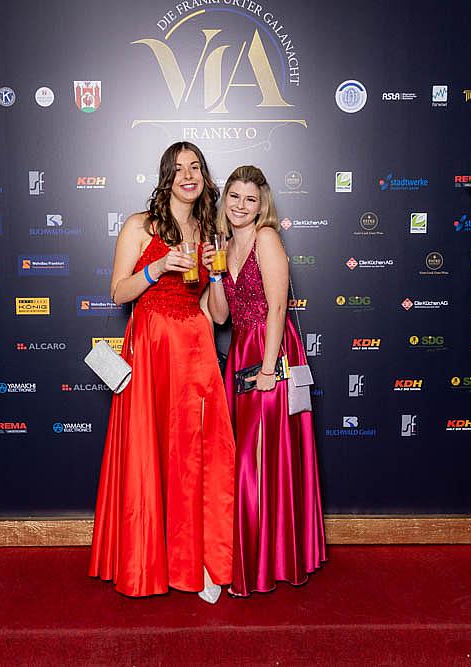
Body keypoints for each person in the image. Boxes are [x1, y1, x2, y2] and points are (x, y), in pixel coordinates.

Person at [89, 142, 235, 601]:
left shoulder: (210, 232)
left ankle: (199, 561)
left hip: (196, 350)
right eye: (179, 168)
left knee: (195, 455)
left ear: (204, 177)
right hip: (152, 348)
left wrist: (216, 275)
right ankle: (146, 560)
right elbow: (118, 292)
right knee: (150, 452)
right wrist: (158, 266)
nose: (188, 175)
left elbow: (218, 314)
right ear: (166, 178)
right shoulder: (140, 225)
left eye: (195, 167)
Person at [207, 165, 326, 596]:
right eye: (234, 197)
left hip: (270, 352)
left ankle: (259, 565)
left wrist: (268, 370)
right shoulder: (223, 246)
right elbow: (220, 315)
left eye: (250, 199)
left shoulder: (267, 238)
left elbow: (277, 308)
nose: (240, 206)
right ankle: (252, 558)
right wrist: (216, 274)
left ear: (262, 205)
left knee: (259, 461)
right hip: (241, 350)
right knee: (244, 458)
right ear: (225, 201)